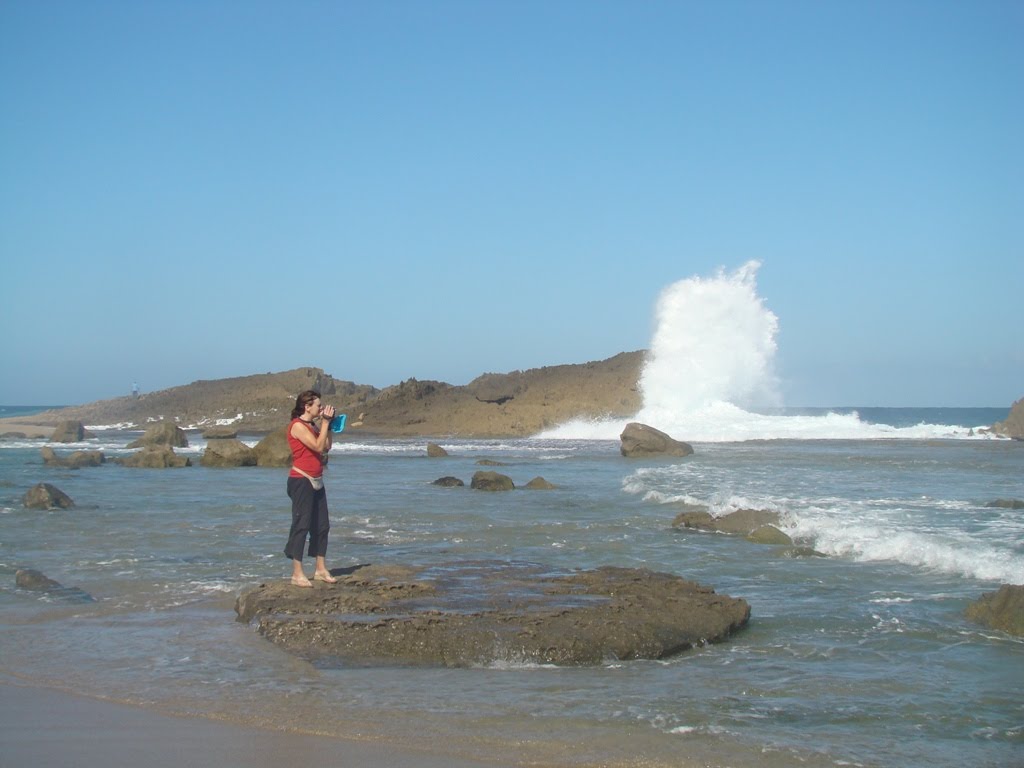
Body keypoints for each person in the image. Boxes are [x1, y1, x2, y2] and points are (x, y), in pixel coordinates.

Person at [284, 389, 338, 587]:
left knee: (322, 525)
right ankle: (297, 573)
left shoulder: (314, 426)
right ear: (307, 406)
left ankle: (320, 569)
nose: (321, 408)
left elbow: (326, 446)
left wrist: (329, 425)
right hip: (301, 480)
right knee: (302, 525)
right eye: (318, 405)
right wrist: (324, 423)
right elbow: (316, 446)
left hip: (317, 479)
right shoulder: (297, 426)